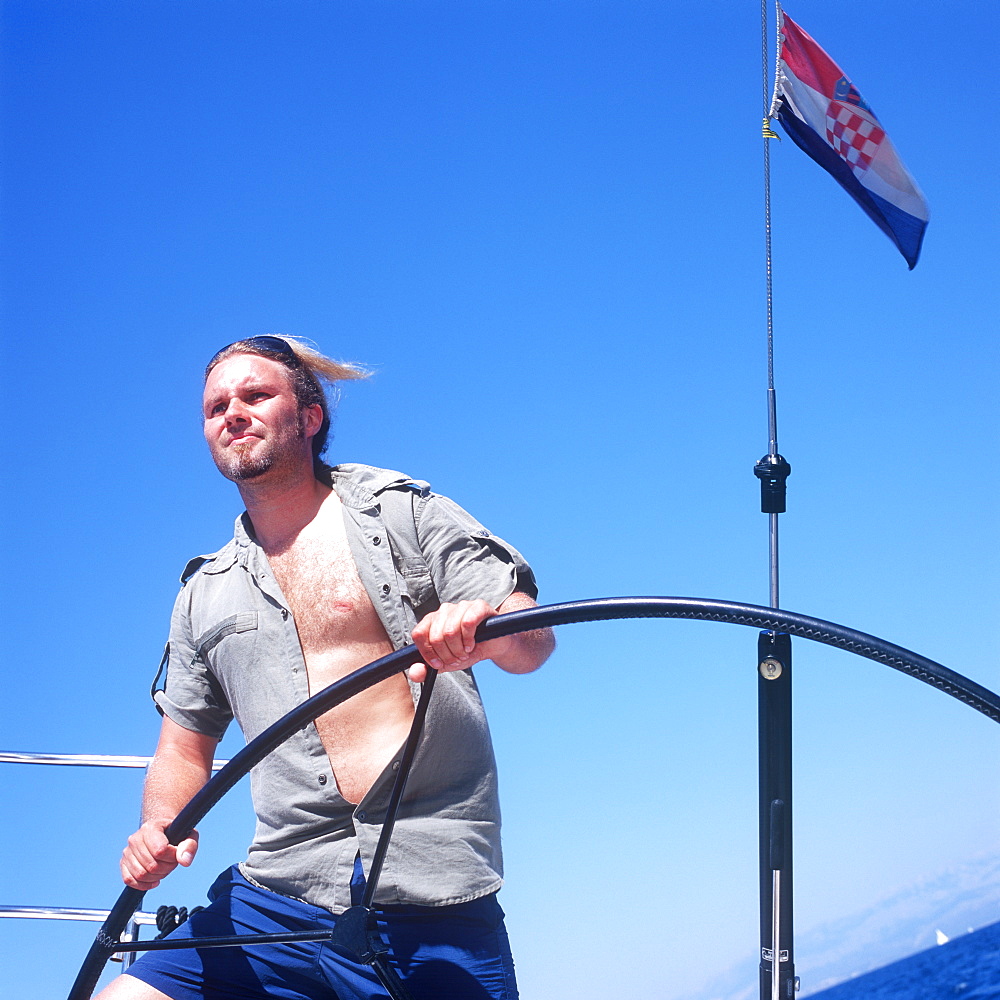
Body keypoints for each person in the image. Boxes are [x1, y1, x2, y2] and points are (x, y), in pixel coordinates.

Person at [97, 336, 554, 1000]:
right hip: (277, 895)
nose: (234, 413)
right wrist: (160, 825)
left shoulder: (402, 512)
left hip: (432, 888)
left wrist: (481, 633)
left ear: (309, 416)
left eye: (256, 395)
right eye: (216, 406)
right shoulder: (204, 592)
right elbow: (183, 743)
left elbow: (533, 638)